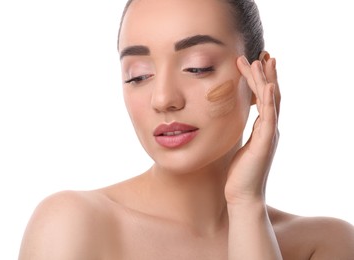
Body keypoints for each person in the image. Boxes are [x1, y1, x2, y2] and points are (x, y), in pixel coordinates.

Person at [18, 0, 354, 259]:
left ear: (258, 78)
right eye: (138, 75)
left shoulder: (323, 245)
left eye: (197, 67)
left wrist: (246, 205)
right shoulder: (73, 224)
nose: (163, 99)